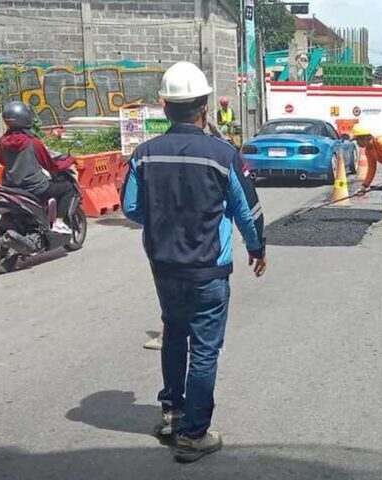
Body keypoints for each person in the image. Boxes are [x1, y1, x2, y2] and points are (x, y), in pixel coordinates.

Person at [121, 61, 267, 463]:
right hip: (208, 270)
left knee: (174, 334)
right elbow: (247, 210)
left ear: (165, 106)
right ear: (205, 106)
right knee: (204, 349)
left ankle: (172, 413)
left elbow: (131, 207)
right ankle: (193, 435)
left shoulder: (145, 154)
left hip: (164, 265)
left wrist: (167, 218)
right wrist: (257, 248)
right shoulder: (223, 154)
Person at [0, 101, 75, 235]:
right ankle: (59, 223)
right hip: (35, 188)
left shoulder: (2, 142)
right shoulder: (33, 142)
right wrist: (69, 161)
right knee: (67, 188)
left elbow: (2, 161)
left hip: (11, 188)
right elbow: (50, 165)